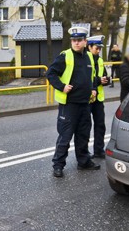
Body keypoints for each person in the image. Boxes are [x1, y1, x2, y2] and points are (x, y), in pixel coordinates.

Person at [47, 26, 100, 178]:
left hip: (85, 104)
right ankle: (58, 165)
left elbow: (92, 76)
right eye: (74, 40)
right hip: (69, 105)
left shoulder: (89, 57)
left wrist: (94, 88)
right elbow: (51, 73)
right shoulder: (65, 56)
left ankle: (83, 161)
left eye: (79, 40)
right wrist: (62, 87)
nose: (76, 43)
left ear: (85, 41)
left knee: (83, 135)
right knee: (65, 136)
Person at [86, 35, 110, 159]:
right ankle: (84, 153)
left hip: (98, 99)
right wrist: (99, 80)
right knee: (85, 127)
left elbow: (103, 76)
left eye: (100, 48)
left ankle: (99, 150)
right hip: (87, 98)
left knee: (100, 125)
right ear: (89, 47)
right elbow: (85, 79)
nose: (98, 50)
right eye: (96, 48)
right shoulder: (84, 59)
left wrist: (107, 80)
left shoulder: (100, 60)